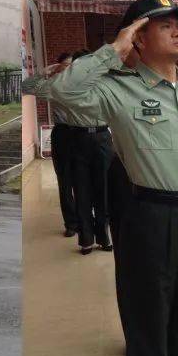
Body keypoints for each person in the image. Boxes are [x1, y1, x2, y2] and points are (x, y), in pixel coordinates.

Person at [23, 0, 178, 356]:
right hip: (150, 219)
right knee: (148, 325)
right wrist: (115, 48)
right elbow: (62, 92)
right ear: (139, 37)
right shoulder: (117, 90)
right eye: (165, 26)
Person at [65, 49, 114, 255]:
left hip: (102, 136)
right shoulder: (68, 85)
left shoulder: (104, 82)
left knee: (103, 189)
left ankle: (103, 236)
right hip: (78, 138)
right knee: (82, 189)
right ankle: (86, 238)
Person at [48, 52, 78, 237]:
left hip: (82, 134)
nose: (71, 69)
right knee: (65, 182)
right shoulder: (52, 86)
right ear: (58, 67)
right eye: (66, 65)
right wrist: (47, 72)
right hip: (62, 134)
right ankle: (71, 224)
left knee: (84, 182)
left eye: (73, 65)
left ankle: (86, 220)